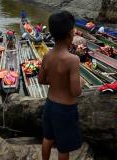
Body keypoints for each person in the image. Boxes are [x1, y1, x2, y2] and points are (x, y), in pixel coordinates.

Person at [38, 10, 85, 160]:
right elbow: (75, 91)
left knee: (48, 138)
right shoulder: (73, 60)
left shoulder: (47, 55)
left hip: (50, 105)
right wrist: (81, 82)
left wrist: (56, 81)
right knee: (63, 148)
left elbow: (41, 80)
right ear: (70, 34)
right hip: (66, 110)